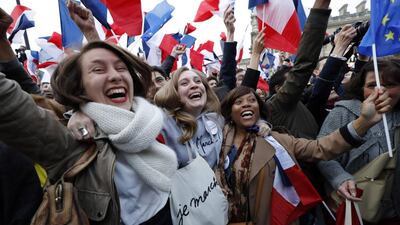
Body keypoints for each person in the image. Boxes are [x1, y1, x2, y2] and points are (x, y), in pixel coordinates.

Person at [0, 28, 178, 225]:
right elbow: (10, 103)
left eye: (121, 69)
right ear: (80, 88)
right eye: (98, 70)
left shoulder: (151, 119)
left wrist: (91, 32)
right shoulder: (74, 143)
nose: (115, 76)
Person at [216, 85, 391, 225]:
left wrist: (363, 123)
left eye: (252, 100)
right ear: (230, 112)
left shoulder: (278, 140)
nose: (246, 104)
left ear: (259, 108)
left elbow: (320, 148)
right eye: (239, 102)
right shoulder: (215, 141)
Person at [317, 58, 400, 224]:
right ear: (361, 88)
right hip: (358, 209)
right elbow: (323, 154)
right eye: (372, 85)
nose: (380, 91)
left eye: (389, 85)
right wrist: (340, 178)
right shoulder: (343, 113)